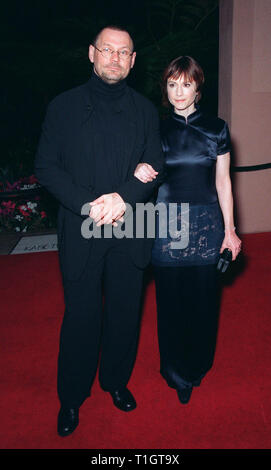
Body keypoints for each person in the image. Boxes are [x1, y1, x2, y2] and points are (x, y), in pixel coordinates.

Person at [35, 25, 164, 436]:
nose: (114, 57)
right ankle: (71, 399)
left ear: (132, 61)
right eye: (107, 49)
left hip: (133, 224)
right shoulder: (63, 106)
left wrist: (122, 197)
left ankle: (115, 382)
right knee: (82, 318)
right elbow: (46, 167)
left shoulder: (145, 110)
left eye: (123, 52)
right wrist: (91, 206)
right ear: (92, 53)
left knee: (126, 315)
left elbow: (154, 164)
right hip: (82, 223)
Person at [134, 56, 241, 405]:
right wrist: (138, 167)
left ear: (198, 87)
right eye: (172, 84)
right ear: (165, 88)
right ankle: (176, 372)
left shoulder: (217, 128)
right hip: (167, 224)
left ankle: (197, 365)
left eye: (186, 84)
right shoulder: (155, 129)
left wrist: (231, 231)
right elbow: (140, 172)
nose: (179, 92)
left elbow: (224, 182)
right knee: (170, 303)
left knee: (204, 300)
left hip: (207, 225)